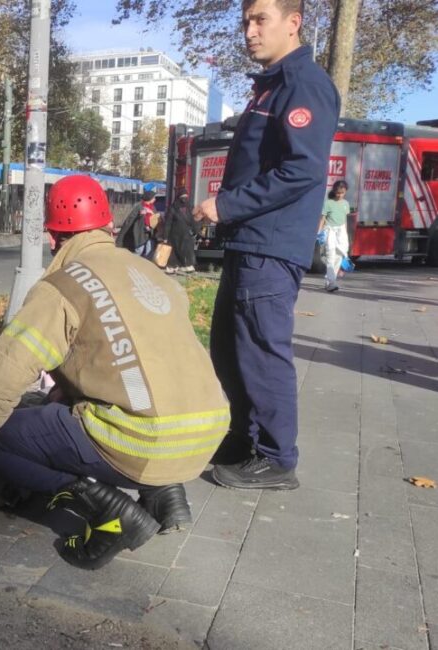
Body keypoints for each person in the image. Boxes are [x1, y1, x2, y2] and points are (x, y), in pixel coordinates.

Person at [0, 175, 230, 570]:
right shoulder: (151, 273)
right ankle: (167, 498)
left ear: (54, 237)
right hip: (205, 435)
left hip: (141, 443)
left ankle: (107, 511)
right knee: (134, 405)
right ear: (109, 226)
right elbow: (128, 361)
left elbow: (0, 384)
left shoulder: (62, 286)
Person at [193, 0, 340, 490]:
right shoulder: (272, 86)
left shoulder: (304, 85)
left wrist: (228, 205)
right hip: (248, 242)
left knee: (261, 350)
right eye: (246, 22)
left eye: (261, 20)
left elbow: (303, 169)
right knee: (230, 349)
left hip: (270, 246)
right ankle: (243, 441)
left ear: (293, 23)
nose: (249, 31)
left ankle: (277, 458)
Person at [319, 180, 351, 292]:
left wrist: (345, 233)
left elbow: (345, 220)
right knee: (330, 254)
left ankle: (331, 280)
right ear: (334, 191)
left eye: (342, 193)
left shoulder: (346, 204)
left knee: (339, 255)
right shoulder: (328, 203)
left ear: (345, 192)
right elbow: (323, 218)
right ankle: (331, 283)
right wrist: (319, 233)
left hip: (341, 231)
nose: (340, 195)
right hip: (330, 230)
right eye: (338, 193)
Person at [161, 191, 197, 274]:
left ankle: (184, 265)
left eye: (186, 197)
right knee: (178, 250)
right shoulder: (177, 208)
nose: (184, 199)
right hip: (177, 235)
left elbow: (193, 221)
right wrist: (165, 236)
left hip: (182, 234)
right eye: (183, 197)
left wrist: (195, 231)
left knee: (183, 250)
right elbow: (168, 223)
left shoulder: (187, 207)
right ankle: (178, 266)